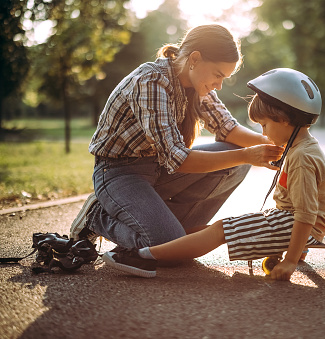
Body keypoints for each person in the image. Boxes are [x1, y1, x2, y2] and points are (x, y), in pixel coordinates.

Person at [102, 68, 325, 281]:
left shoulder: (301, 158)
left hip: (294, 224)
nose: (263, 132)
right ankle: (156, 248)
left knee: (220, 230)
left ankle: (142, 255)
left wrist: (291, 260)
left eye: (264, 125)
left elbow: (306, 214)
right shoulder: (303, 148)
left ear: (284, 120)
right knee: (217, 227)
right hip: (290, 222)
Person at [69, 24, 284, 249]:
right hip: (118, 173)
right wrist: (247, 155)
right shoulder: (151, 81)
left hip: (158, 169)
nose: (219, 85)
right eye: (218, 75)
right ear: (195, 58)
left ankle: (161, 228)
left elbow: (227, 128)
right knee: (165, 244)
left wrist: (279, 146)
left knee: (180, 244)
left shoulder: (196, 84)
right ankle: (96, 217)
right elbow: (178, 159)